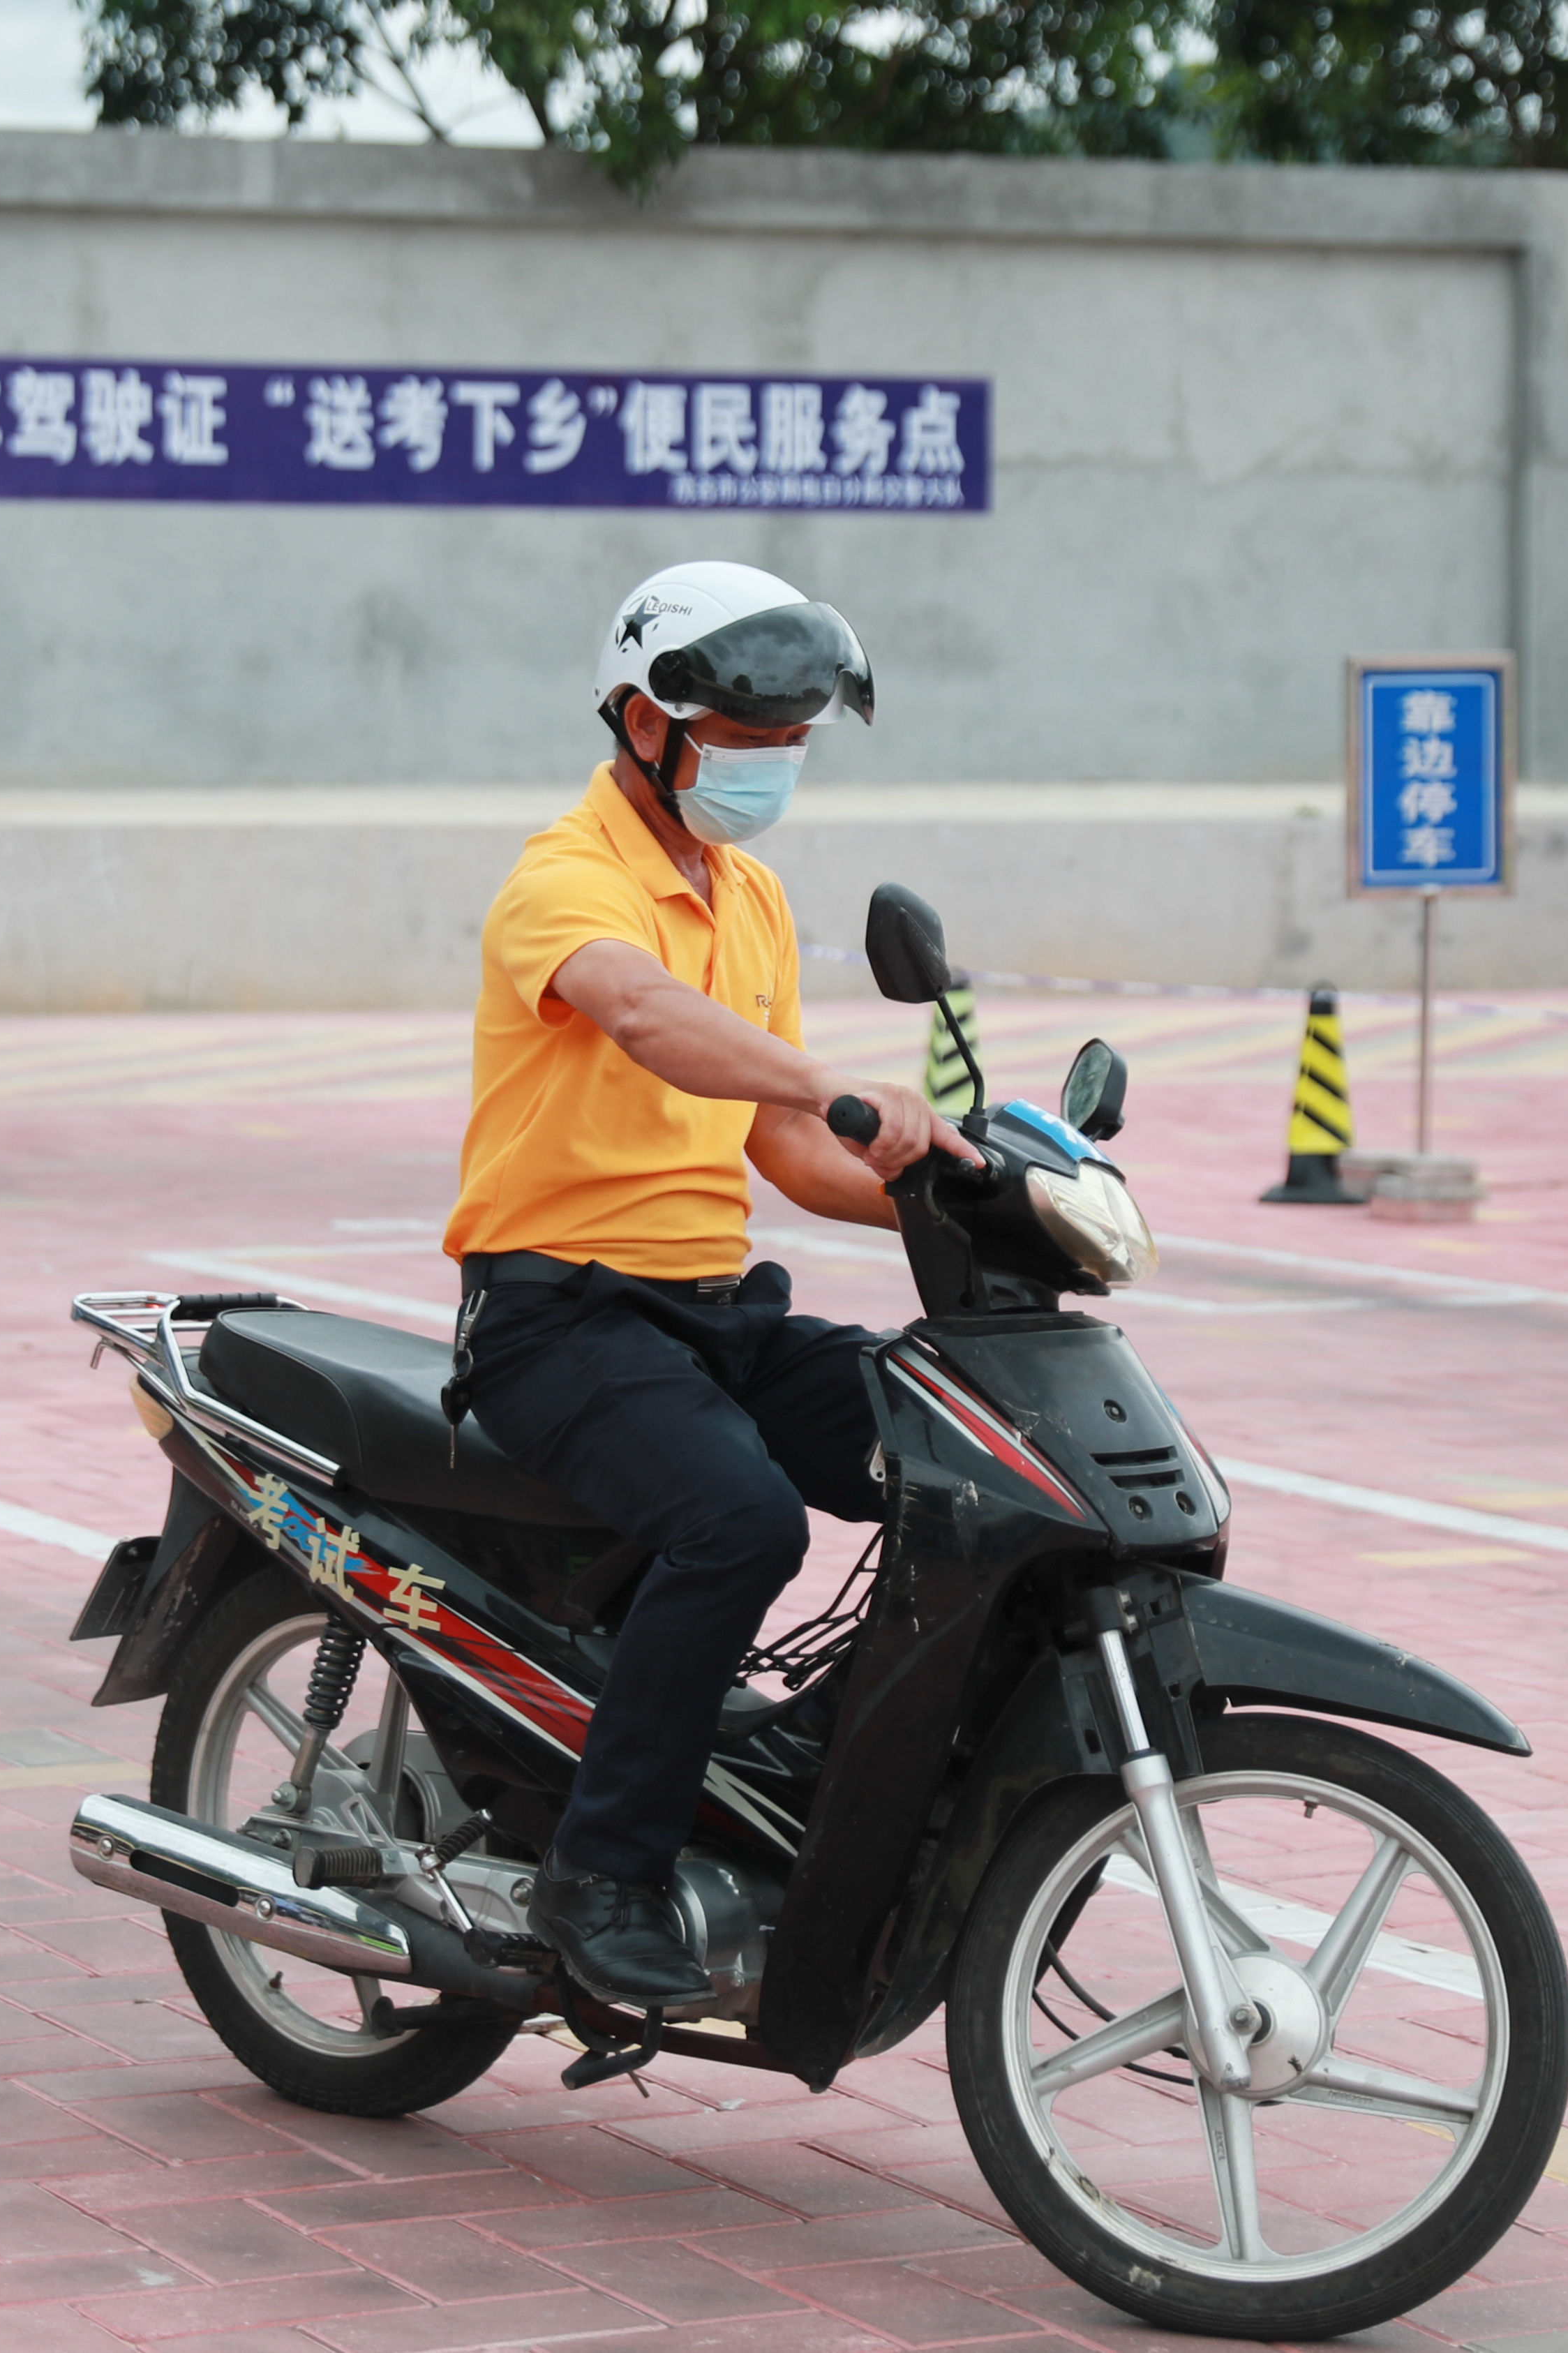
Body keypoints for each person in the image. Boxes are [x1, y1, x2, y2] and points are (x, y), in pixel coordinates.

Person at [442, 560, 971, 2008]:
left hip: (711, 1308)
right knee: (738, 1519)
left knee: (950, 1447)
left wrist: (956, 1194)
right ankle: (598, 1871)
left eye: (793, 741)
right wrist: (838, 1085)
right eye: (745, 740)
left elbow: (790, 1153)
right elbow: (647, 1019)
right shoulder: (565, 874)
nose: (772, 767)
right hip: (558, 1315)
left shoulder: (749, 895)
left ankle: (810, 1753)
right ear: (644, 722)